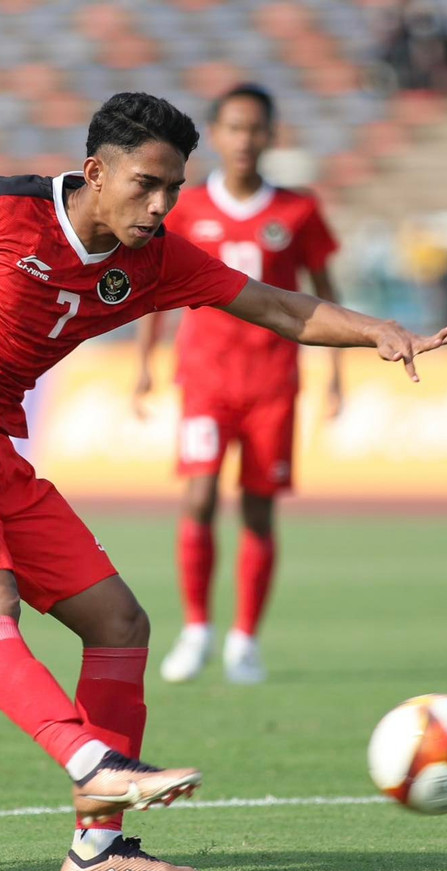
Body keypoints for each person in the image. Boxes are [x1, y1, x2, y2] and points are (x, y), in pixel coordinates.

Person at [0, 92, 447, 871]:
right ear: (94, 172)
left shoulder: (153, 261)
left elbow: (280, 306)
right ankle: (89, 762)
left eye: (173, 190)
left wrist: (376, 331)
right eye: (146, 185)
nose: (159, 207)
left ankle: (100, 844)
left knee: (120, 622)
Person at [133, 84, 342, 686]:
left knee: (258, 510)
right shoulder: (187, 207)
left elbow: (323, 291)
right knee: (197, 496)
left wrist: (336, 371)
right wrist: (147, 361)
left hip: (273, 382)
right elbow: (156, 284)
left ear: (271, 136)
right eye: (234, 128)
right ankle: (197, 629)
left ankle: (245, 639)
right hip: (205, 377)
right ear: (218, 136)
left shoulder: (297, 212)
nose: (245, 139)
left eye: (256, 129)